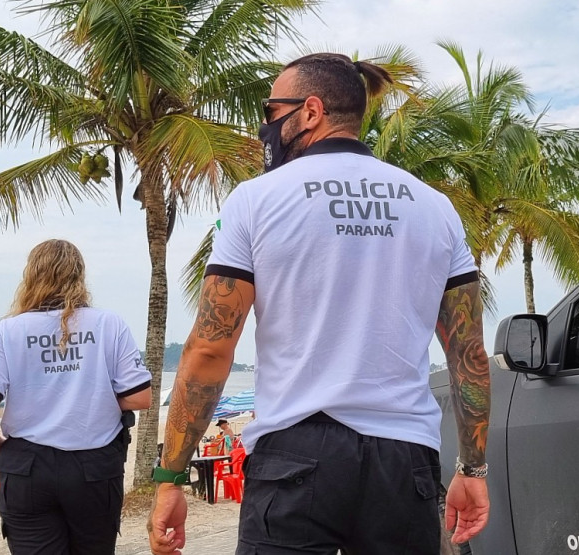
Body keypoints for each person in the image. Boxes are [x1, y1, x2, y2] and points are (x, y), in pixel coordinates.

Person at [148, 53, 491, 555]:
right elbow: (469, 356)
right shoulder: (434, 208)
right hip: (404, 461)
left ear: (310, 111)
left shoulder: (257, 200)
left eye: (271, 112)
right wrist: (473, 469)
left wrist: (170, 477)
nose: (265, 127)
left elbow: (209, 349)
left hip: (294, 455)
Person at [0, 239, 152, 554]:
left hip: (27, 468)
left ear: (31, 277)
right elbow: (140, 397)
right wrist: (93, 396)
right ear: (80, 277)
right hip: (94, 468)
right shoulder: (109, 324)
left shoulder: (6, 332)